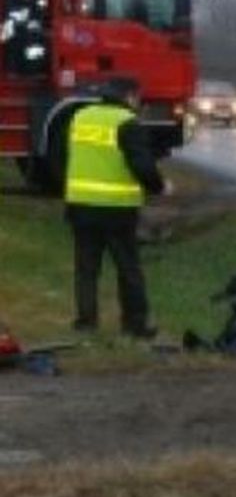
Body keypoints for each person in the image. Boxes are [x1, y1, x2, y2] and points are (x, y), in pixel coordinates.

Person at [64, 78, 169, 338]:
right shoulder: (127, 123)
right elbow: (142, 166)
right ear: (129, 96)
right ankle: (134, 325)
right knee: (128, 268)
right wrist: (159, 187)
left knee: (86, 269)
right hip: (117, 209)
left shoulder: (80, 117)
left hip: (80, 205)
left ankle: (86, 323)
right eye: (138, 98)